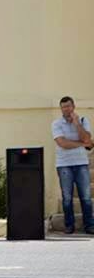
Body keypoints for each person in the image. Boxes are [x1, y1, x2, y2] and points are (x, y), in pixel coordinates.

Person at [51, 96, 94, 234]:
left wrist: (77, 124)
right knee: (67, 197)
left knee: (86, 197)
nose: (66, 109)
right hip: (64, 164)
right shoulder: (56, 124)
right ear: (61, 109)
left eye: (68, 106)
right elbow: (62, 143)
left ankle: (89, 225)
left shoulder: (82, 121)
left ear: (73, 106)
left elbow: (87, 138)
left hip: (81, 163)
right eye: (63, 107)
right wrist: (82, 144)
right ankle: (69, 225)